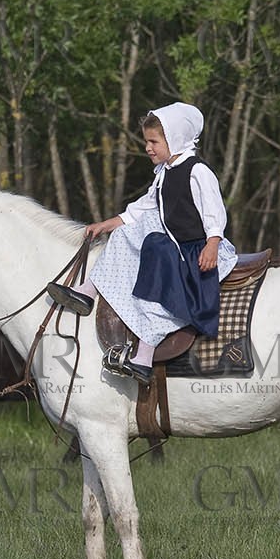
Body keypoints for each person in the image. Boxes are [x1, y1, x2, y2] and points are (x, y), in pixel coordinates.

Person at [45, 102, 238, 381]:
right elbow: (145, 207)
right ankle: (89, 290)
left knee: (156, 279)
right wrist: (108, 224)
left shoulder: (197, 171)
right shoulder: (164, 172)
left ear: (175, 139)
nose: (148, 147)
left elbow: (213, 211)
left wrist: (212, 243)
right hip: (174, 244)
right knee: (126, 233)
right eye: (146, 141)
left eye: (154, 141)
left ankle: (144, 358)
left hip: (195, 249)